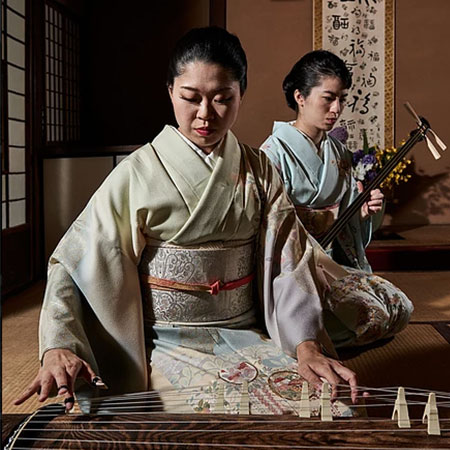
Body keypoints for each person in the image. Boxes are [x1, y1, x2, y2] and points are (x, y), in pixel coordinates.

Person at [16, 30, 378, 416]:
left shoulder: (259, 171)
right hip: (162, 341)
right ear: (171, 91)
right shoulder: (137, 174)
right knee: (221, 419)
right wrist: (59, 346)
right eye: (191, 97)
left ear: (241, 94)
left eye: (223, 99)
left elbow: (288, 265)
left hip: (245, 330)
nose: (205, 114)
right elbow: (75, 264)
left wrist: (306, 346)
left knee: (327, 411)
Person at [260, 50, 413, 350]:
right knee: (371, 317)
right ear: (300, 97)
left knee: (399, 308)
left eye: (342, 99)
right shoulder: (272, 154)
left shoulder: (340, 154)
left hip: (332, 262)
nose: (337, 108)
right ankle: (299, 326)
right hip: (294, 270)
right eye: (328, 98)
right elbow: (271, 231)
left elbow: (347, 223)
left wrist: (363, 212)